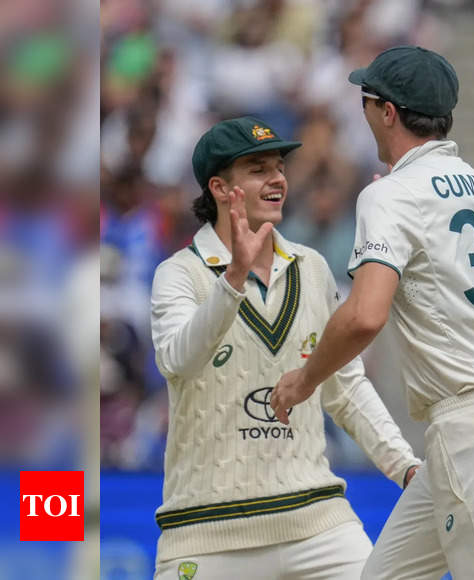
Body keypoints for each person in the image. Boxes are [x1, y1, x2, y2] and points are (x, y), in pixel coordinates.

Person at [270, 46, 474, 579]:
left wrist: (304, 380)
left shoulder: (390, 196)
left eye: (367, 100)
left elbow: (365, 314)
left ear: (388, 111)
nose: (363, 113)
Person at [149, 116, 420, 579]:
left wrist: (406, 469)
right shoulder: (180, 274)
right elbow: (178, 359)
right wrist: (232, 279)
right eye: (257, 169)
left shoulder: (312, 268)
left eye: (279, 166)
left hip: (317, 524)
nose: (277, 178)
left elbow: (346, 389)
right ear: (219, 187)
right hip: (207, 532)